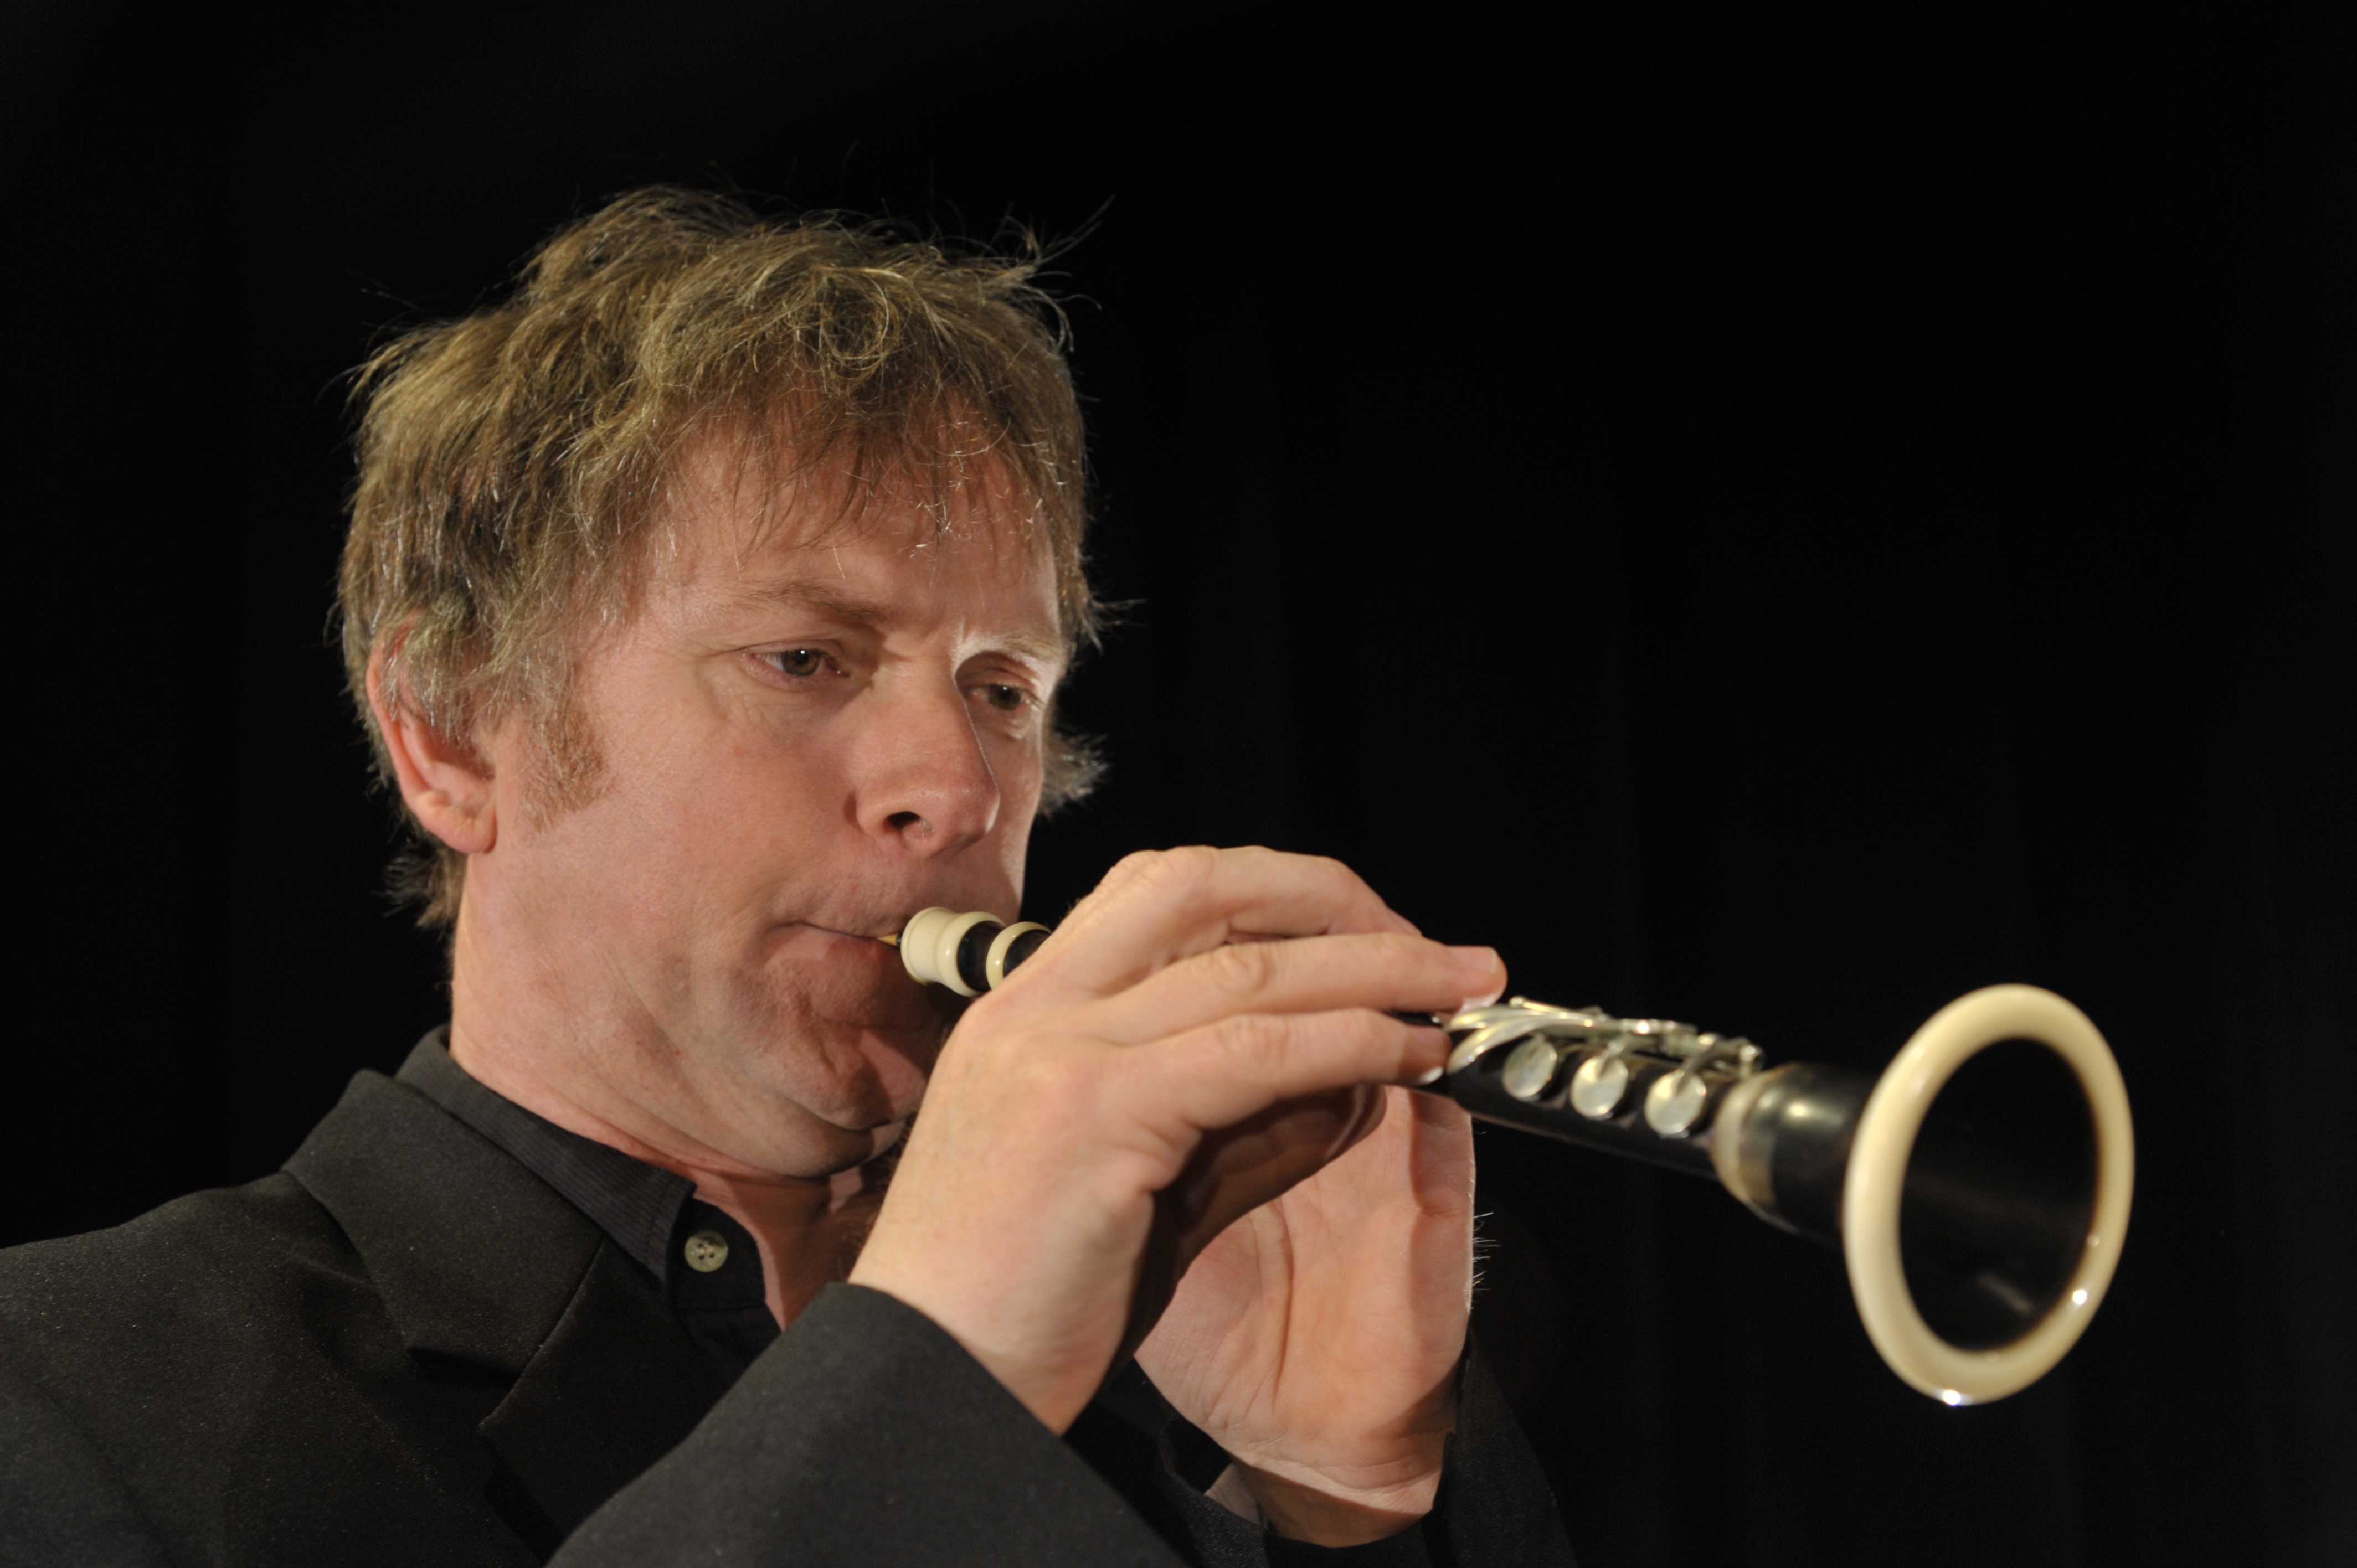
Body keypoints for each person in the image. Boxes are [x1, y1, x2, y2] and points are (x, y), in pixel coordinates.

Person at [0, 189, 1573, 1566]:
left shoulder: (1163, 1387)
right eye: (806, 657)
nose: (959, 787)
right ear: (454, 734)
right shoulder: (67, 1389)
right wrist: (936, 1371)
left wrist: (1341, 1499)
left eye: (1002, 687)